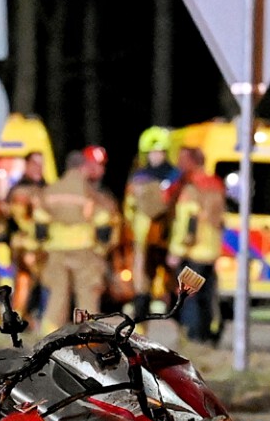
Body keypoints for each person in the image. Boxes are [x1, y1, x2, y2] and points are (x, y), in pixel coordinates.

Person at [31, 150, 118, 333]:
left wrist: (42, 242)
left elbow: (40, 219)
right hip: (84, 248)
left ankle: (50, 334)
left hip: (56, 249)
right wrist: (102, 247)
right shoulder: (90, 192)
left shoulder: (51, 190)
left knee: (57, 293)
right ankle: (89, 334)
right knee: (87, 294)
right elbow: (103, 219)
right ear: (83, 167)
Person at [165, 146, 227, 346]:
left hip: (194, 251)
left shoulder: (191, 188)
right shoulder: (216, 185)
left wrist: (176, 251)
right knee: (207, 297)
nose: (179, 165)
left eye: (183, 160)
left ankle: (191, 338)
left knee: (188, 296)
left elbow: (187, 223)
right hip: (211, 250)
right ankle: (207, 336)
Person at [123, 127, 178, 315]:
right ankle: (140, 323)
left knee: (170, 279)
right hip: (142, 238)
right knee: (141, 281)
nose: (156, 156)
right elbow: (129, 207)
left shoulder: (174, 176)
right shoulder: (138, 176)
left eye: (160, 152)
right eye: (152, 152)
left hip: (166, 236)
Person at [6, 151, 48, 319]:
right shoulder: (20, 190)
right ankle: (18, 318)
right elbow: (20, 219)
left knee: (45, 286)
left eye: (41, 164)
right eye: (35, 164)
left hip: (43, 248)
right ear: (27, 166)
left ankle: (40, 320)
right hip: (24, 246)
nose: (39, 168)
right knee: (24, 284)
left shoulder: (46, 187)